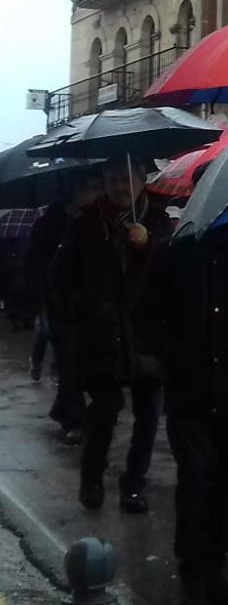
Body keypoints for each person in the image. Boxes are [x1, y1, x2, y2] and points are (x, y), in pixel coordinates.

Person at [134, 212, 228, 605]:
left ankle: (215, 567)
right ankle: (192, 575)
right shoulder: (173, 251)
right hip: (191, 392)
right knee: (196, 476)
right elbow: (143, 316)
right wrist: (173, 357)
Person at [51, 158, 170, 513]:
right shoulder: (87, 224)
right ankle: (92, 476)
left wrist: (148, 246)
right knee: (103, 413)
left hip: (146, 334)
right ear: (105, 183)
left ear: (141, 181)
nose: (121, 188)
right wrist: (84, 310)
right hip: (102, 334)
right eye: (114, 180)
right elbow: (60, 278)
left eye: (127, 180)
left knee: (148, 413)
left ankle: (134, 484)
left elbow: (171, 273)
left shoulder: (158, 220)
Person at [35, 174, 103, 443]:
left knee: (80, 364)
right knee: (69, 362)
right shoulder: (49, 225)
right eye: (90, 188)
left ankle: (65, 411)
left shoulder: (97, 221)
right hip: (61, 305)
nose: (95, 194)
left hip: (93, 305)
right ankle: (74, 418)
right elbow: (37, 265)